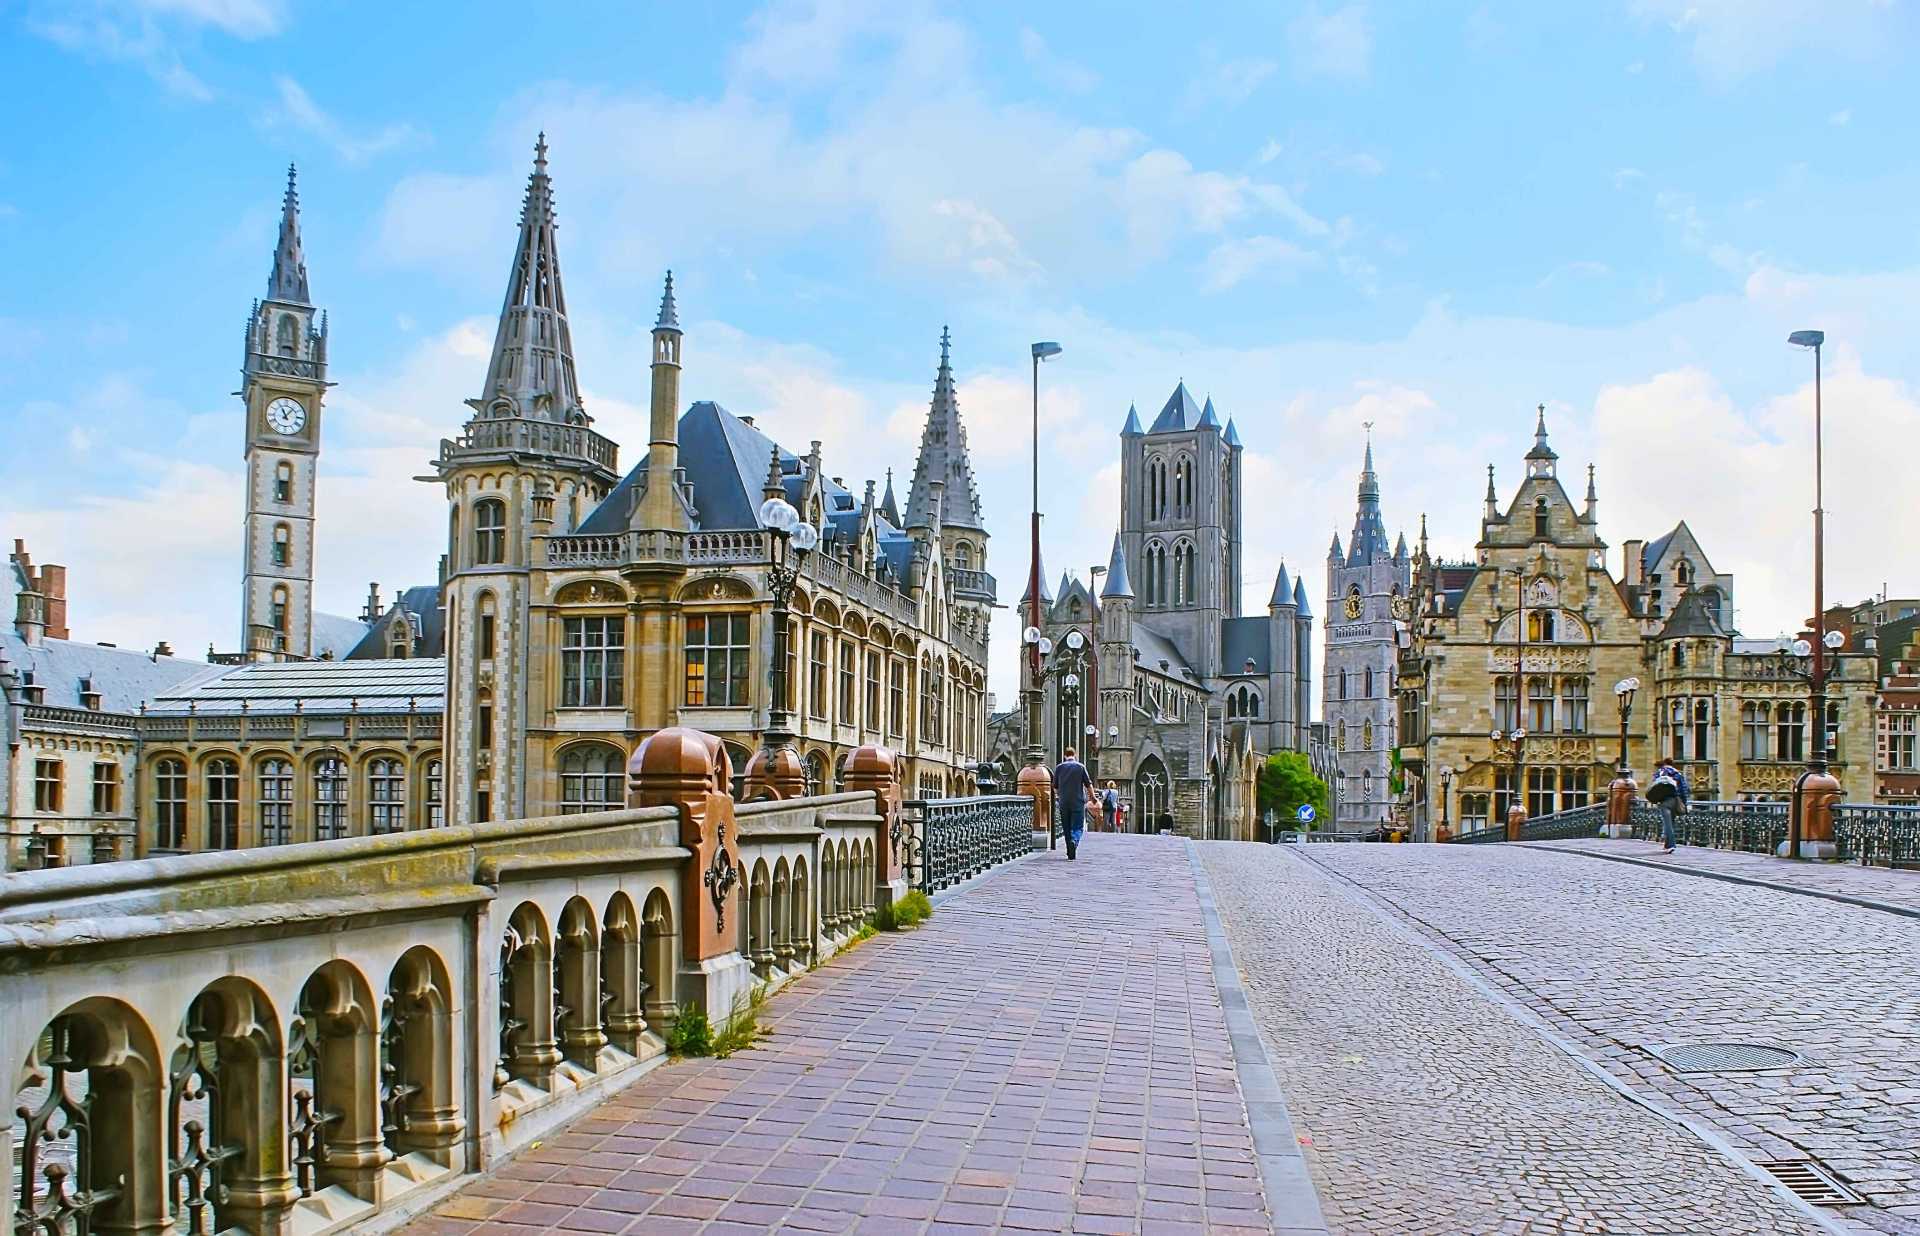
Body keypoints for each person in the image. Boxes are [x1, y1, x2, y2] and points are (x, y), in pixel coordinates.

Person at [1052, 747, 1093, 859]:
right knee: (1077, 826)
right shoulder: (1080, 767)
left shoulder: (1059, 768)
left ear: (1065, 756)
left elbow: (1055, 787)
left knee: (1066, 826)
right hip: (1078, 801)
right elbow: (1088, 784)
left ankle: (1070, 851)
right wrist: (1092, 797)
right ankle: (1074, 841)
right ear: (1075, 755)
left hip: (1064, 801)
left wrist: (1060, 795)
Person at [1650, 757, 1689, 854]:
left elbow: (1654, 787)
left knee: (1667, 824)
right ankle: (1667, 845)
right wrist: (1684, 803)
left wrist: (1655, 800)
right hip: (1675, 800)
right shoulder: (1677, 773)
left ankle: (1671, 845)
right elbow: (1684, 789)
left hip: (1664, 801)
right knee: (1671, 822)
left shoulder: (1659, 773)